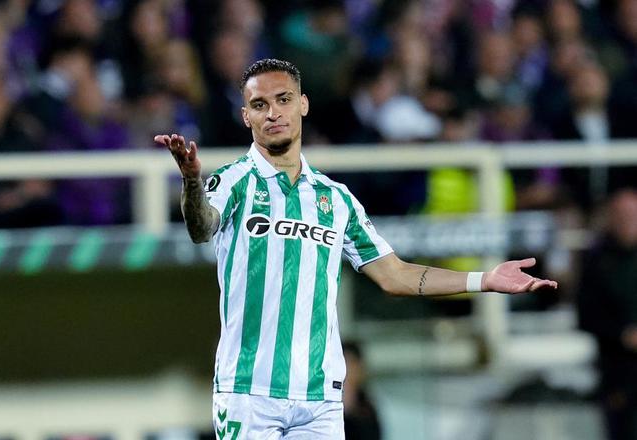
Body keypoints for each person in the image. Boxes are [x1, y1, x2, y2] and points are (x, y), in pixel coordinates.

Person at [154, 58, 557, 439]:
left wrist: (485, 279)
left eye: (283, 100)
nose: (273, 113)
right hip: (249, 390)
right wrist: (191, 182)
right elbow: (201, 227)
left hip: (320, 398)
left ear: (303, 105)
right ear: (246, 116)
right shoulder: (233, 181)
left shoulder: (336, 199)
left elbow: (395, 275)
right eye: (260, 105)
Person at [577, 188, 637, 440]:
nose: (627, 223)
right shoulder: (598, 261)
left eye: (632, 216)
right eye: (622, 216)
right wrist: (622, 334)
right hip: (618, 372)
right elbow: (585, 315)